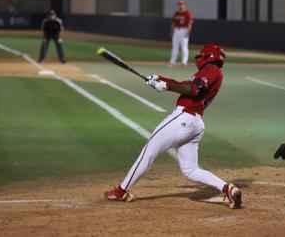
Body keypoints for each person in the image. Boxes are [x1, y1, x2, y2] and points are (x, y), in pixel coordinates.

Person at [104, 44, 242, 209]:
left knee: (148, 152)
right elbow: (184, 84)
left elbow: (192, 89)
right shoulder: (210, 72)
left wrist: (166, 86)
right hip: (195, 124)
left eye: (201, 55)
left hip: (183, 119)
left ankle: (121, 191)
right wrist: (160, 79)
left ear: (208, 56)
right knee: (190, 170)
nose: (198, 57)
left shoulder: (211, 69)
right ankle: (227, 188)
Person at [168, 0, 193, 67]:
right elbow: (173, 23)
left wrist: (188, 32)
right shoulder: (176, 13)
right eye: (180, 4)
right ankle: (172, 62)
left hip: (184, 30)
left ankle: (184, 62)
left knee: (184, 47)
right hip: (176, 30)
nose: (181, 5)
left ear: (184, 5)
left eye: (182, 4)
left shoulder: (187, 13)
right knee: (175, 47)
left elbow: (189, 24)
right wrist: (171, 32)